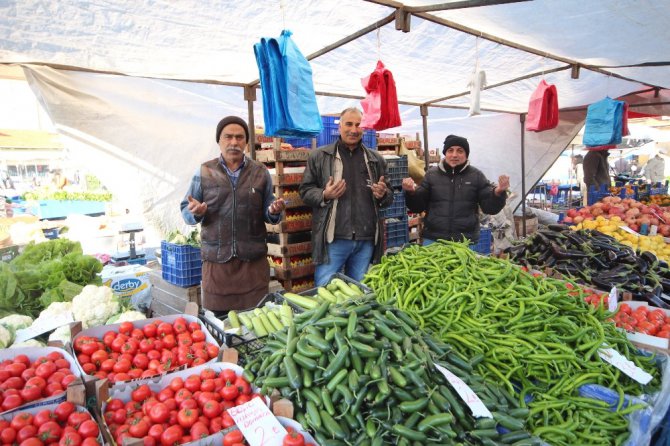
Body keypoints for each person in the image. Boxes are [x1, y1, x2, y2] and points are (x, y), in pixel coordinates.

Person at [180, 116, 286, 313]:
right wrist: (195, 213)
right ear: (219, 140)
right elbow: (186, 209)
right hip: (217, 265)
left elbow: (268, 206)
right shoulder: (204, 171)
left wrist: (272, 211)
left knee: (256, 320)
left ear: (246, 142)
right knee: (219, 322)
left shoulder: (259, 171)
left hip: (252, 264)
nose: (234, 142)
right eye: (228, 137)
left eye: (239, 137)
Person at [299, 107, 393, 286]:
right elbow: (305, 191)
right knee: (325, 291)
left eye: (358, 125)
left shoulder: (375, 159)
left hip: (366, 240)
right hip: (334, 238)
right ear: (339, 127)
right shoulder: (320, 156)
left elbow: (389, 197)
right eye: (349, 124)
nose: (354, 129)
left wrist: (383, 195)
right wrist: (324, 194)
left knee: (359, 294)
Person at [401, 134, 509, 245]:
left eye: (460, 151)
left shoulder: (476, 175)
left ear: (466, 155)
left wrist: (498, 192)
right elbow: (418, 206)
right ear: (445, 154)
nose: (454, 155)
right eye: (450, 150)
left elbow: (489, 208)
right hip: (434, 239)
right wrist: (411, 192)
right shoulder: (431, 174)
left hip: (465, 241)